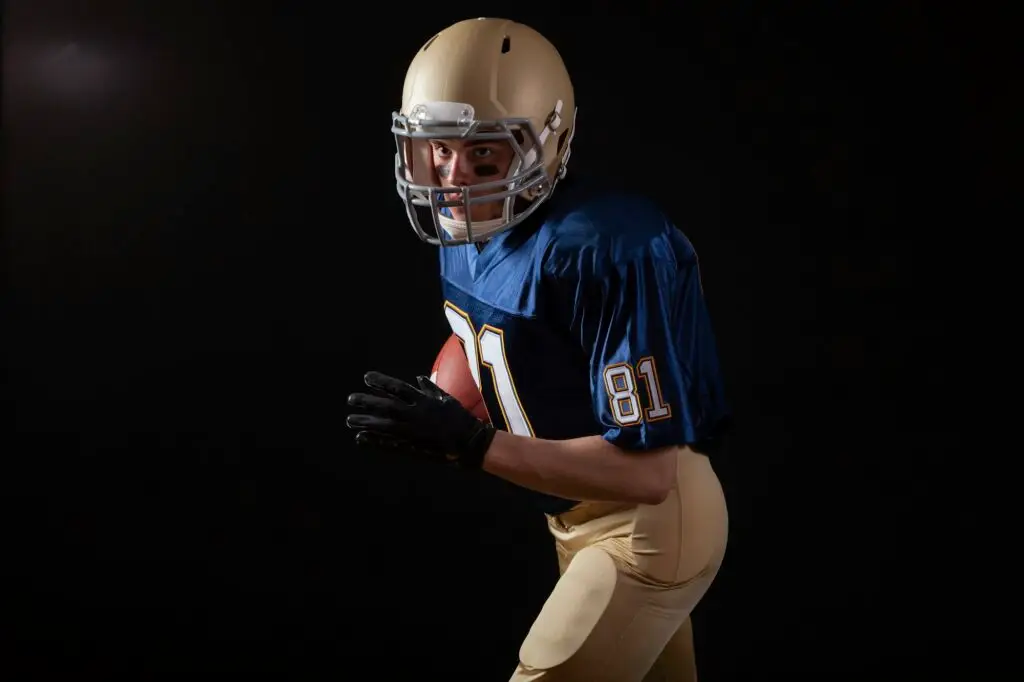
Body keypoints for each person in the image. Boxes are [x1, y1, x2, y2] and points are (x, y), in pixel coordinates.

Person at [346, 17, 730, 682]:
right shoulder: (465, 233)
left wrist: (470, 443)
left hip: (647, 529)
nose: (455, 178)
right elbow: (504, 327)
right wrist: (453, 386)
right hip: (571, 522)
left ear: (549, 142)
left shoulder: (608, 246)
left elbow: (647, 474)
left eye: (484, 155)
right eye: (438, 149)